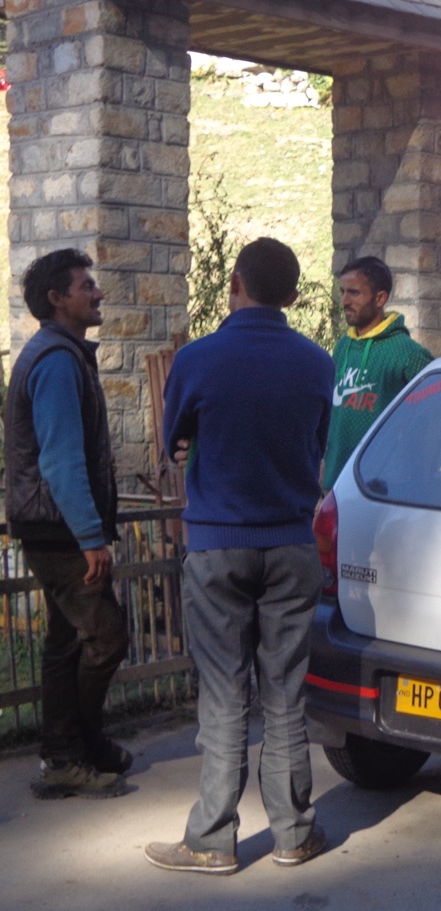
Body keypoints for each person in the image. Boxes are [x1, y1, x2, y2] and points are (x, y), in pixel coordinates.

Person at [145, 238, 334, 875]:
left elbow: (171, 441)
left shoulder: (197, 359)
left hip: (218, 545)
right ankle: (294, 832)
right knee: (285, 696)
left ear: (235, 282)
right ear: (292, 294)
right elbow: (318, 446)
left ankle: (212, 840)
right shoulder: (317, 362)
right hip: (290, 543)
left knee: (225, 698)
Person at [4, 249, 132, 799]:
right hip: (58, 530)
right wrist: (89, 538)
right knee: (107, 635)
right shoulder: (56, 361)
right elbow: (60, 460)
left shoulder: (61, 354)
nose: (97, 292)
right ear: (57, 299)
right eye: (86, 286)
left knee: (64, 642)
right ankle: (67, 750)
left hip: (49, 524)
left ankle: (76, 749)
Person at [321, 255, 433, 491]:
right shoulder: (343, 346)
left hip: (382, 491)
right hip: (335, 487)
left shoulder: (408, 354)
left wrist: (417, 465)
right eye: (342, 292)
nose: (344, 301)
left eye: (354, 293)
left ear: (380, 298)